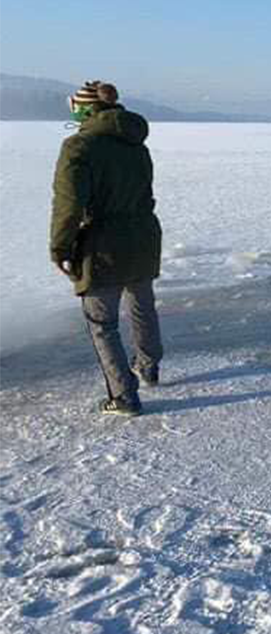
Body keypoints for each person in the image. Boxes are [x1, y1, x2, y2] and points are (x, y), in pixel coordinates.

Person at [50, 81, 164, 417]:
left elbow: (69, 203)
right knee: (143, 304)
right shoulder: (136, 145)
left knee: (101, 322)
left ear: (84, 111)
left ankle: (123, 395)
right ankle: (148, 367)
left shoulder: (79, 147)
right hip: (143, 237)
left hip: (103, 242)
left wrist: (60, 247)